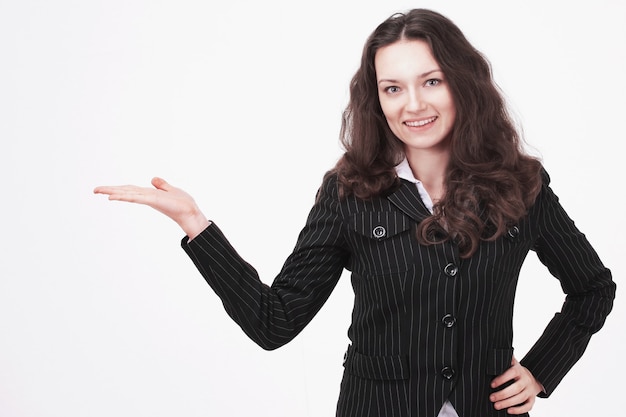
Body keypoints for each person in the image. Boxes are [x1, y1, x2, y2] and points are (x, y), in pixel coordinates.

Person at [94, 8, 615, 417]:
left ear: (463, 84)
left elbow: (593, 287)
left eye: (431, 81)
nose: (413, 104)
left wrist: (541, 370)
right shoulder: (348, 194)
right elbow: (274, 322)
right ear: (378, 100)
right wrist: (195, 225)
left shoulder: (521, 186)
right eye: (393, 88)